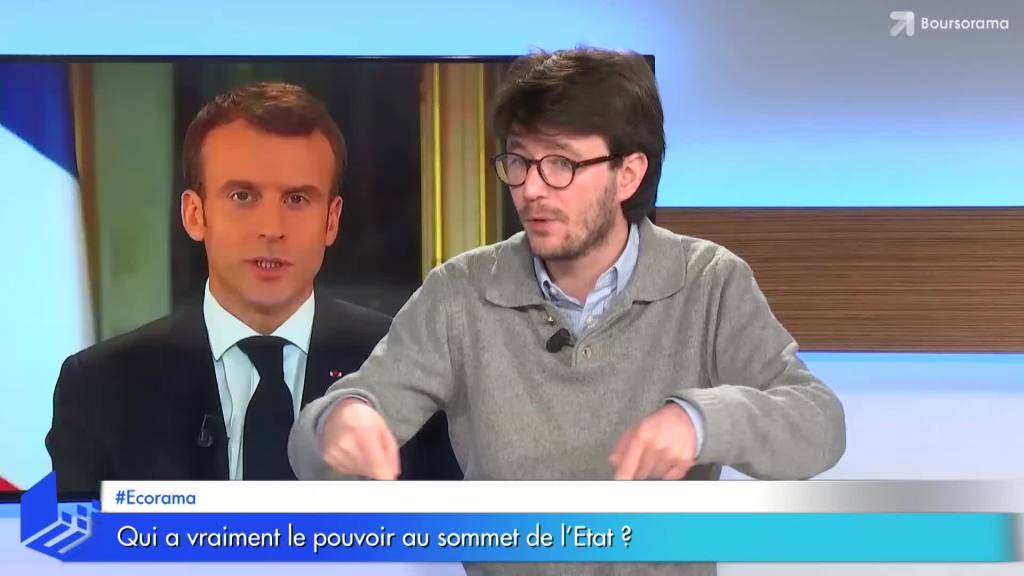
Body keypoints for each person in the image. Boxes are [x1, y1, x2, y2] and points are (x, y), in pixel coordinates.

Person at [289, 49, 846, 575]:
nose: (531, 189)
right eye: (518, 161)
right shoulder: (460, 292)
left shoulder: (708, 281)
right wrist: (342, 421)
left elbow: (818, 424)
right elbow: (321, 431)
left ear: (628, 174)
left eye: (560, 163)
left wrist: (700, 422)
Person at [47, 82, 459, 494]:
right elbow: (72, 534)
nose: (271, 229)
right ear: (195, 214)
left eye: (297, 199)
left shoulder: (417, 371)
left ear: (331, 221)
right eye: (243, 196)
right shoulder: (102, 387)